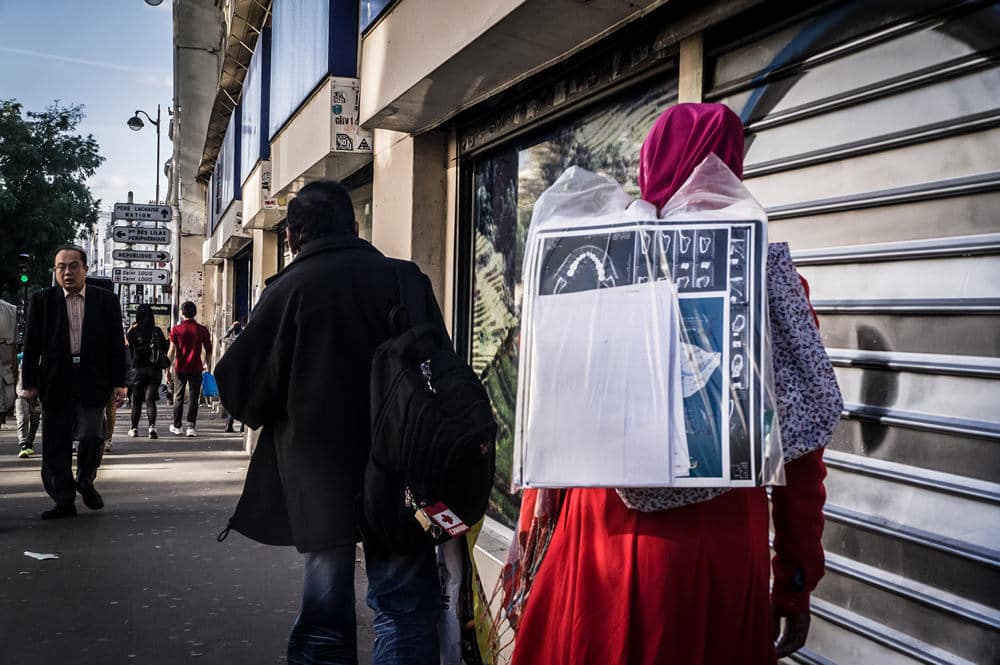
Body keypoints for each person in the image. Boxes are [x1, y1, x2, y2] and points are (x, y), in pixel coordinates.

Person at [507, 104, 827, 665]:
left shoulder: (599, 260)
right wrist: (795, 576)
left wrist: (531, 529)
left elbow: (553, 415)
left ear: (651, 165)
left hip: (598, 542)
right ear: (732, 167)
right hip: (721, 548)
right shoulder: (767, 279)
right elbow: (801, 456)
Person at [215, 179, 447, 665]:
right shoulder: (406, 280)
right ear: (355, 225)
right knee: (405, 606)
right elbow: (442, 375)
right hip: (404, 471)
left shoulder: (287, 291)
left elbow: (242, 392)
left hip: (320, 477)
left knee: (326, 612)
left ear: (295, 236)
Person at [20, 244, 127, 519]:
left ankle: (85, 479)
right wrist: (29, 382)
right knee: (56, 443)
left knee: (93, 434)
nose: (67, 272)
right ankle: (63, 500)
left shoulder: (105, 301)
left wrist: (120, 382)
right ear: (55, 271)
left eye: (73, 266)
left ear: (85, 269)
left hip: (93, 379)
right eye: (61, 267)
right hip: (56, 380)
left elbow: (116, 344)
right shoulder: (42, 301)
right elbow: (31, 345)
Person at [166, 301, 211, 437]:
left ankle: (177, 425)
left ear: (182, 312)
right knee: (194, 397)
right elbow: (209, 350)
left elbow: (171, 351)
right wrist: (207, 365)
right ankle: (191, 427)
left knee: (178, 397)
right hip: (196, 367)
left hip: (180, 368)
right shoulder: (202, 329)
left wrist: (167, 369)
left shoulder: (176, 330)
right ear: (195, 313)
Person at [126, 304, 168, 439]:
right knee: (150, 400)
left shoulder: (132, 332)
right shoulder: (157, 331)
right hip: (154, 371)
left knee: (137, 401)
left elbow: (128, 352)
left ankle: (134, 429)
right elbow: (165, 348)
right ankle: (152, 428)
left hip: (137, 370)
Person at [15, 353, 41, 458]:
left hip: (37, 394)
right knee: (22, 418)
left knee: (35, 419)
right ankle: (24, 443)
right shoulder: (19, 357)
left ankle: (30, 442)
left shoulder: (44, 357)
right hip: (21, 393)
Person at [222, 320, 244, 433]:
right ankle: (243, 426)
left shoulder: (235, 338)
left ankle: (229, 424)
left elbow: (223, 338)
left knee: (232, 397)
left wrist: (231, 328)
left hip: (234, 370)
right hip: (246, 371)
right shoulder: (252, 339)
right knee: (245, 398)